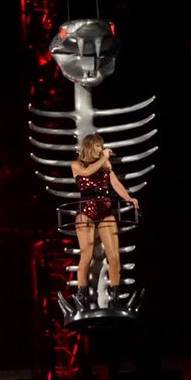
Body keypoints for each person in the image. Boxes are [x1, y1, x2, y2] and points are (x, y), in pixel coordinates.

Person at [71, 132, 139, 307]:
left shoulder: (105, 164)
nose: (100, 149)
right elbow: (87, 172)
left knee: (114, 256)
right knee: (86, 255)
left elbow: (115, 183)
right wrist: (104, 158)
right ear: (89, 146)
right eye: (97, 146)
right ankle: (82, 297)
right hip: (86, 211)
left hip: (106, 211)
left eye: (101, 146)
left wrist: (129, 198)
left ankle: (115, 296)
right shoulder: (77, 164)